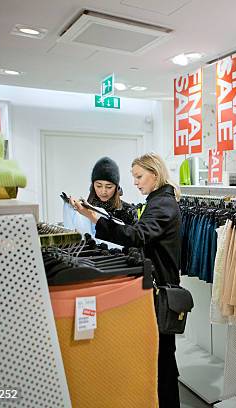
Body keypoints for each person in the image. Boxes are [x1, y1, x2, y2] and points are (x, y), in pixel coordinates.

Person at [71, 152, 182, 407]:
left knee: (162, 354)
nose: (135, 183)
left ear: (155, 175)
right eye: (134, 177)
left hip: (161, 288)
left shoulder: (163, 204)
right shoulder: (158, 201)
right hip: (156, 285)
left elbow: (137, 236)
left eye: (139, 177)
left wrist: (95, 218)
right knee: (158, 353)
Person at [87, 157, 137, 225]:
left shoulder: (129, 211)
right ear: (93, 186)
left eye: (109, 187)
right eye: (99, 186)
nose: (103, 191)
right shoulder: (84, 209)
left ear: (116, 187)